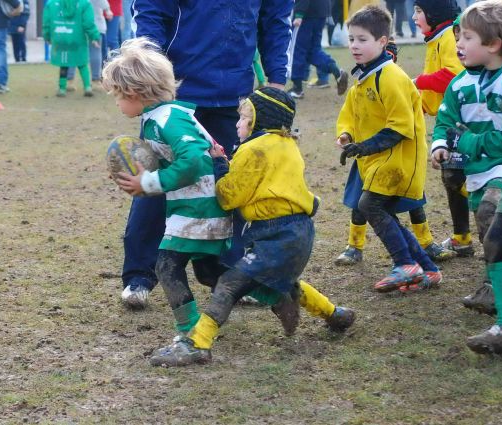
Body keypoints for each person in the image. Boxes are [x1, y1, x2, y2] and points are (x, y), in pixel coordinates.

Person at [149, 87, 356, 367]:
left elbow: (229, 196)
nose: (237, 123)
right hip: (299, 231)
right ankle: (335, 314)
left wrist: (221, 164)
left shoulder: (254, 149)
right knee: (276, 280)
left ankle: (197, 343)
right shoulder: (286, 145)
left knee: (228, 284)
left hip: (276, 234)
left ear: (259, 121)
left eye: (244, 118)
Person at [121, 0, 294, 309]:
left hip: (233, 94)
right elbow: (150, 11)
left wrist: (277, 78)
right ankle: (140, 276)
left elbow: (276, 18)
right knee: (157, 181)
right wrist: (152, 74)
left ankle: (232, 276)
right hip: (173, 92)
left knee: (229, 184)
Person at [102, 37, 236, 341]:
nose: (117, 103)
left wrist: (149, 182)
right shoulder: (160, 117)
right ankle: (281, 295)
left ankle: (190, 332)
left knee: (166, 266)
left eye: (117, 96)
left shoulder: (168, 120)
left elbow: (193, 161)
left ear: (134, 93)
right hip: (196, 206)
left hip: (200, 208)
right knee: (209, 273)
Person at [430, 13, 502, 316]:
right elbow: (445, 122)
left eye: (466, 38)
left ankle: (493, 291)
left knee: (491, 214)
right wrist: (440, 146)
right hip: (476, 170)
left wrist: (472, 143)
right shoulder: (459, 85)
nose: (459, 45)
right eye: (456, 38)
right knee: (491, 231)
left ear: (491, 44)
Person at [337, 5, 441, 292]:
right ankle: (429, 270)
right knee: (383, 212)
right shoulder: (366, 76)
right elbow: (353, 115)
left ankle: (404, 264)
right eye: (352, 38)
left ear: (382, 42)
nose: (354, 45)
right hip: (381, 162)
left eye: (362, 39)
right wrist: (347, 135)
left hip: (399, 161)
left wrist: (364, 147)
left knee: (368, 205)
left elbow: (400, 127)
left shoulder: (391, 76)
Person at [412, 0, 472, 258]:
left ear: (433, 13)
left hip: (462, 119)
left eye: (418, 11)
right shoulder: (435, 37)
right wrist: (423, 105)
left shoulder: (448, 36)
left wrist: (417, 82)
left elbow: (452, 75)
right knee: (452, 177)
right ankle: (462, 239)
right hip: (449, 117)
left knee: (456, 177)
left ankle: (476, 230)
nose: (414, 16)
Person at [288, 0, 349, 97]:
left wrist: (299, 14)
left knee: (298, 50)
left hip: (306, 13)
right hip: (321, 11)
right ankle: (336, 71)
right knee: (313, 51)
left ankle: (297, 88)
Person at [42, 0, 101, 97]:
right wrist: (94, 37)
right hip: (78, 38)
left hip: (60, 38)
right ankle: (87, 87)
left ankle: (62, 89)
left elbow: (46, 22)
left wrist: (47, 36)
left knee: (63, 64)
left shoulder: (51, 4)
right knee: (82, 63)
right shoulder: (84, 4)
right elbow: (88, 23)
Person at [66, 0, 113, 89]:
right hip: (95, 25)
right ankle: (95, 80)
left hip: (76, 26)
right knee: (95, 52)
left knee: (73, 52)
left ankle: (69, 80)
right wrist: (107, 9)